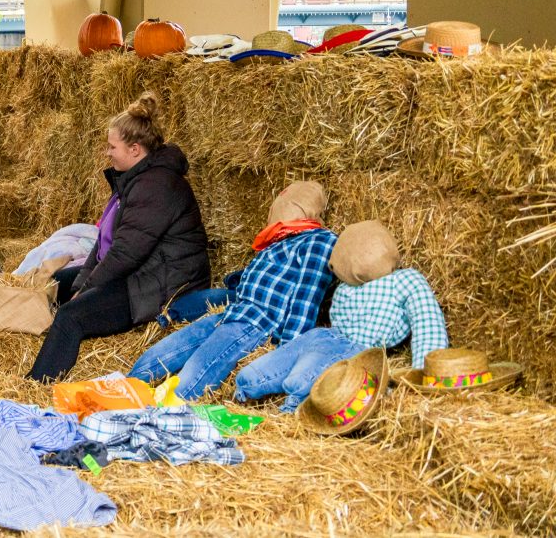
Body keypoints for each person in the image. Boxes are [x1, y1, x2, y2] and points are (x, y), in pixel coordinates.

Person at [28, 92, 210, 383]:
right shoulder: (136, 177)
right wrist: (81, 283)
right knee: (57, 283)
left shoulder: (156, 186)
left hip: (164, 281)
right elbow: (104, 243)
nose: (107, 152)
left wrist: (86, 292)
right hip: (141, 270)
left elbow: (125, 254)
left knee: (72, 315)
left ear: (135, 149)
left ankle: (38, 385)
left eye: (112, 146)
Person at [128, 181, 337, 401]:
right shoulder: (278, 242)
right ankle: (123, 388)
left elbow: (305, 300)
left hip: (255, 323)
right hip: (233, 313)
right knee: (162, 353)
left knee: (197, 370)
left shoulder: (319, 241)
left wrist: (284, 355)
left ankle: (167, 409)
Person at [234, 220, 448, 412]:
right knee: (280, 358)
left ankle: (292, 405)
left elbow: (426, 322)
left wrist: (425, 373)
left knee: (305, 374)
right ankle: (246, 385)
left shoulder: (405, 280)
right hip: (324, 334)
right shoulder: (347, 286)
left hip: (356, 346)